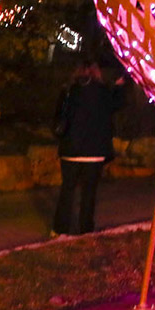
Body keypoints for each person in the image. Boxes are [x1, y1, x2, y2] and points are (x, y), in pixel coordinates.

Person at [51, 60, 127, 235]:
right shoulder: (102, 92)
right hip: (94, 151)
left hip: (71, 150)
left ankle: (59, 228)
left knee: (67, 190)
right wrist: (118, 87)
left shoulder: (68, 91)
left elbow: (58, 117)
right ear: (96, 72)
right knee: (89, 192)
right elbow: (116, 105)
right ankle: (85, 228)